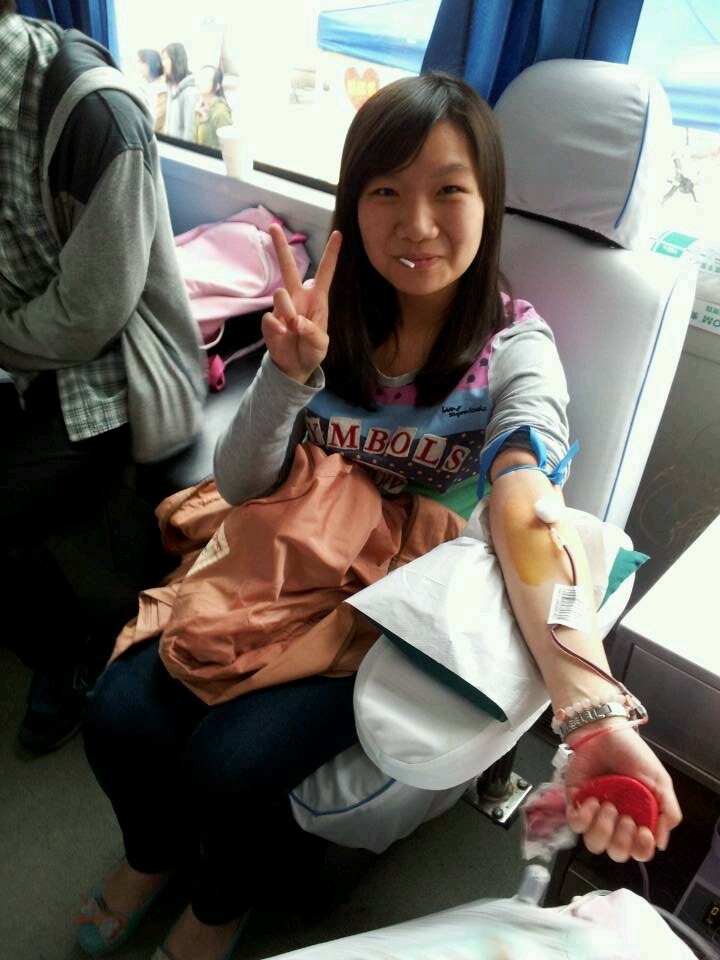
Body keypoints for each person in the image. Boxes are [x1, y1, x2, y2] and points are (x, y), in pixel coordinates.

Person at [78, 73, 682, 960]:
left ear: (489, 202)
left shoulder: (514, 351)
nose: (418, 224)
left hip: (384, 599)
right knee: (116, 716)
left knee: (227, 765)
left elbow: (526, 507)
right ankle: (151, 853)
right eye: (386, 192)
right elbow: (242, 485)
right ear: (353, 204)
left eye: (449, 191)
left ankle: (217, 906)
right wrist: (287, 375)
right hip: (282, 556)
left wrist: (591, 711)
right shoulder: (325, 317)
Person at [0, 3, 206, 754]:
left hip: (118, 367)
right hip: (24, 342)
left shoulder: (95, 119)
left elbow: (91, 316)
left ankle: (67, 652)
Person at [161, 42, 196, 141]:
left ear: (176, 60)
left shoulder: (189, 92)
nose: (163, 63)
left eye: (165, 59)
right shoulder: (171, 88)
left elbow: (189, 132)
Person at [194, 64, 232, 150]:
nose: (201, 82)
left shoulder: (220, 113)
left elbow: (227, 148)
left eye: (207, 79)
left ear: (217, 86)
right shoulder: (200, 107)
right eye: (200, 77)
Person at [137, 47, 167, 133]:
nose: (138, 66)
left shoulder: (162, 89)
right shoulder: (142, 86)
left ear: (150, 63)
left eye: (141, 62)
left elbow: (156, 122)